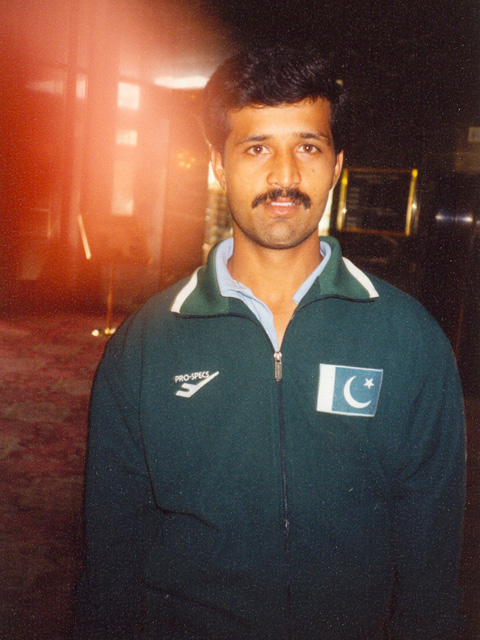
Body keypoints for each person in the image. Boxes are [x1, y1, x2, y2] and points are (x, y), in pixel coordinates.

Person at [74, 47, 465, 640]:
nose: (284, 176)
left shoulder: (410, 340)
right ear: (218, 165)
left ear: (337, 165)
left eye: (308, 147)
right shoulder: (145, 345)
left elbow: (431, 564)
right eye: (256, 148)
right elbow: (111, 553)